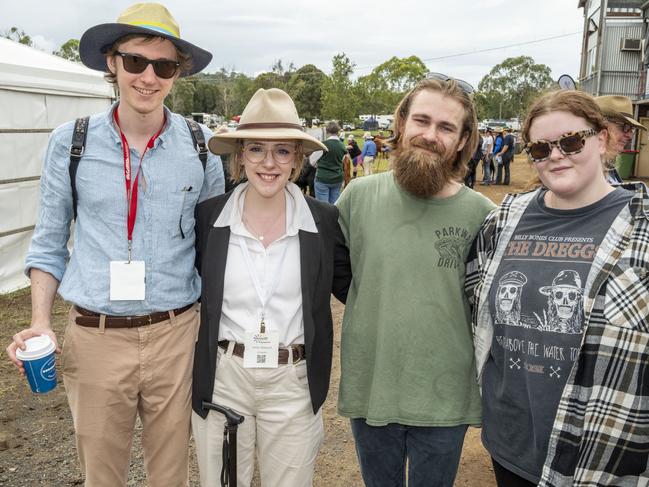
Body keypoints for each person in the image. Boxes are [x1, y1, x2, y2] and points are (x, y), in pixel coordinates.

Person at [5, 4, 223, 486]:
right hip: (96, 334)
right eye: (135, 61)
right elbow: (48, 241)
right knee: (102, 476)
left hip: (176, 333)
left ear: (176, 74)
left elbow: (215, 248)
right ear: (111, 62)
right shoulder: (71, 143)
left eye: (163, 66)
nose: (148, 77)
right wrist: (40, 322)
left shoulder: (202, 145)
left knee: (170, 476)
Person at [465, 90, 649, 486]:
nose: (556, 155)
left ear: (602, 139)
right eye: (540, 148)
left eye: (571, 141)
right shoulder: (503, 221)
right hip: (511, 444)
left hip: (604, 453)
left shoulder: (642, 227)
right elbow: (475, 309)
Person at [337, 76, 495, 487]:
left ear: (463, 141)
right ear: (402, 123)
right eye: (421, 121)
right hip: (373, 385)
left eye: (446, 127)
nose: (429, 135)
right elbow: (344, 276)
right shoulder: (356, 197)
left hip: (445, 394)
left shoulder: (482, 214)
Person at [191, 88, 352, 487]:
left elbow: (355, 289)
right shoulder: (208, 219)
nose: (268, 163)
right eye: (256, 149)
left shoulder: (324, 221)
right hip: (224, 376)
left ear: (297, 159)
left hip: (292, 380)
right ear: (240, 154)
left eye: (282, 151)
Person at [595, 95, 646, 184]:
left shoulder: (608, 165)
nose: (630, 136)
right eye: (625, 127)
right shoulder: (585, 169)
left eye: (632, 129)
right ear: (601, 125)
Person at [314, 121, 346, 203]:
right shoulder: (342, 145)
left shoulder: (323, 144)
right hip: (337, 178)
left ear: (327, 131)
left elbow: (312, 162)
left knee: (323, 206)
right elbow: (342, 161)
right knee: (334, 204)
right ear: (338, 131)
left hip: (323, 178)